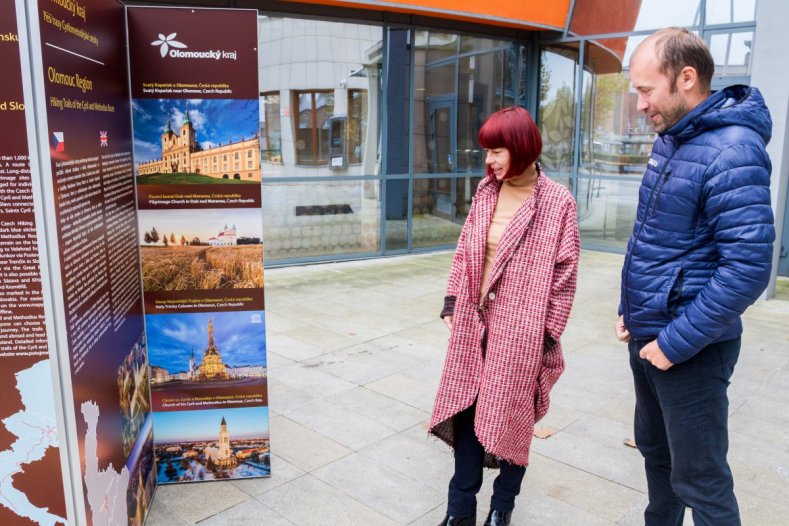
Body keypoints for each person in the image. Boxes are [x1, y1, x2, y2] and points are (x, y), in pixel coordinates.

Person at [616, 27, 775, 526]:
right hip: (649, 335)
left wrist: (673, 344)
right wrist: (630, 306)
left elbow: (747, 268)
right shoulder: (672, 141)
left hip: (691, 350)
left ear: (686, 78)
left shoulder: (733, 150)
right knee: (657, 458)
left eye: (646, 90)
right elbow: (652, 239)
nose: (640, 105)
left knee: (701, 482)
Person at [429, 106, 580, 526]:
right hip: (472, 326)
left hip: (522, 331)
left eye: (496, 151)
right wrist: (452, 302)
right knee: (467, 411)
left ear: (520, 146)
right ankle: (459, 512)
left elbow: (565, 275)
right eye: (486, 152)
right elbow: (466, 250)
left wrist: (547, 332)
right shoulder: (486, 191)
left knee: (511, 416)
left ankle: (502, 508)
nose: (489, 161)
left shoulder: (556, 202)